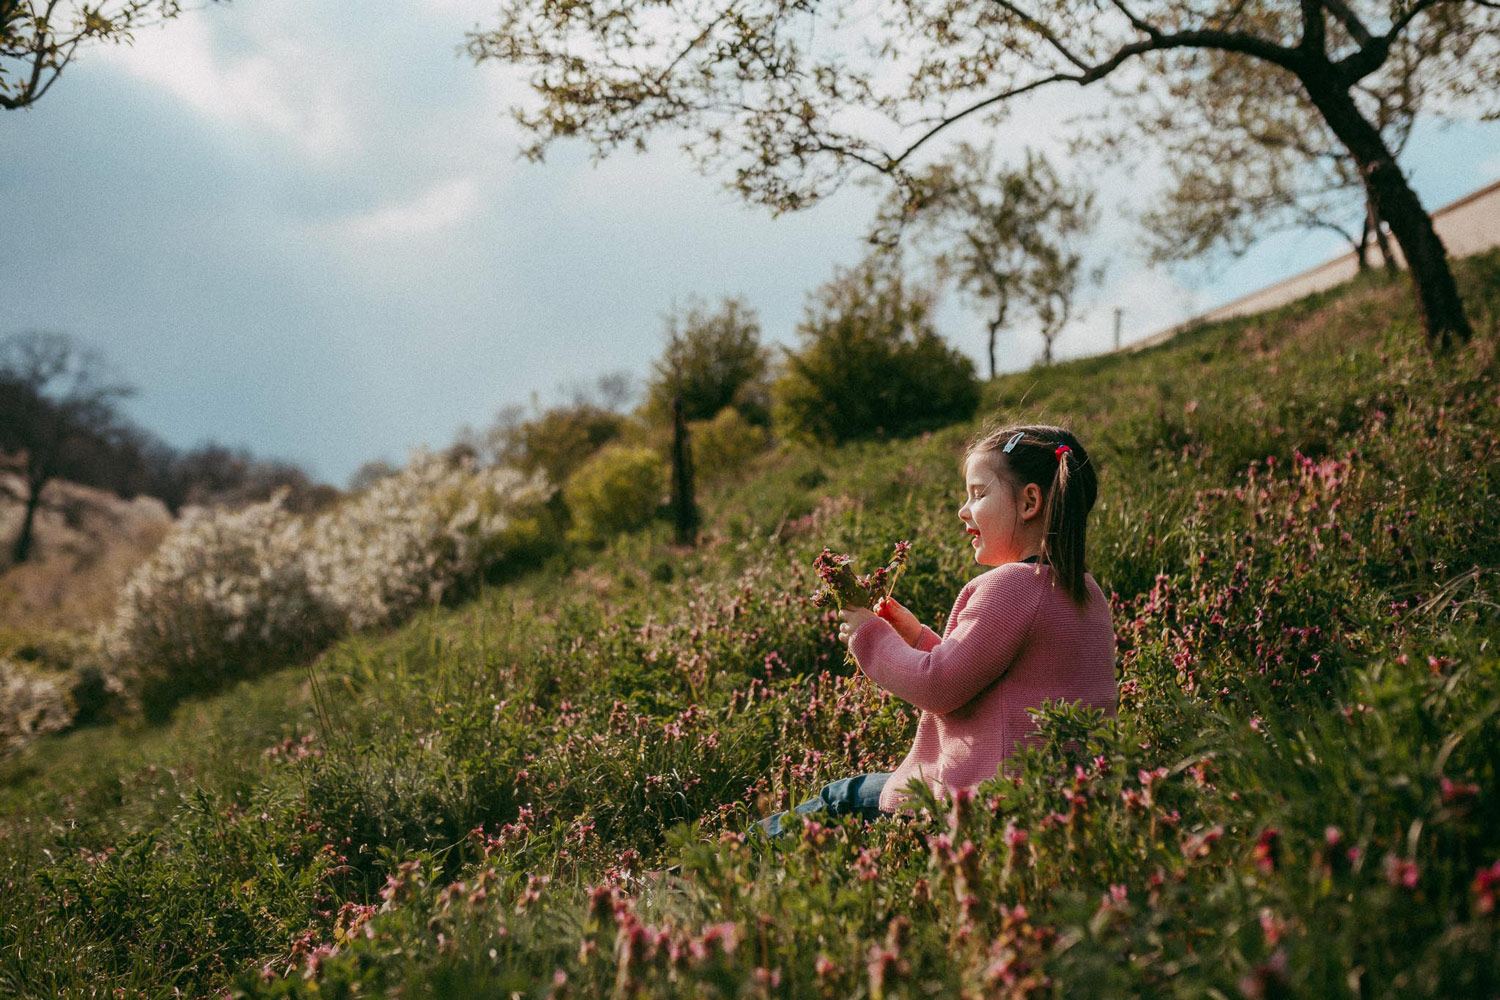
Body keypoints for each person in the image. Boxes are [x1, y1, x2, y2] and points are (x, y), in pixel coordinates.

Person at [756, 423, 1118, 837]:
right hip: (1059, 804)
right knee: (865, 789)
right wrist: (918, 639)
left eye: (979, 494)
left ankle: (705, 872)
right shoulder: (1085, 592)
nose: (964, 509)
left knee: (843, 797)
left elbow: (939, 686)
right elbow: (986, 679)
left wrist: (868, 637)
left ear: (1029, 501)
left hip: (982, 808)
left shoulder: (1011, 586)